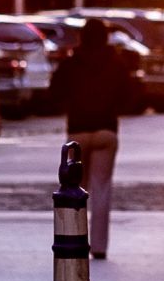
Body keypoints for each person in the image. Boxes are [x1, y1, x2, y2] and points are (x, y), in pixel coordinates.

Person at [53, 17, 140, 258]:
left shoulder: (71, 64)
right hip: (106, 131)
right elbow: (130, 97)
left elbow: (54, 92)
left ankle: (75, 238)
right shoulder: (117, 64)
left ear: (81, 38)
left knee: (74, 188)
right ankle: (100, 247)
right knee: (102, 188)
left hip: (78, 131)